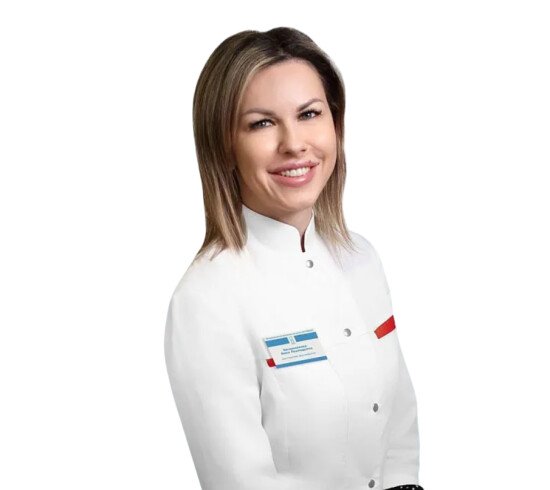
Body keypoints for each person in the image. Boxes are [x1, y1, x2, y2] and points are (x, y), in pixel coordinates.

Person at [164, 26, 424, 490]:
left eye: (309, 114)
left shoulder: (362, 258)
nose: (294, 143)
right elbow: (240, 481)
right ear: (224, 145)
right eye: (262, 123)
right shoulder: (207, 300)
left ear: (335, 124)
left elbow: (398, 429)